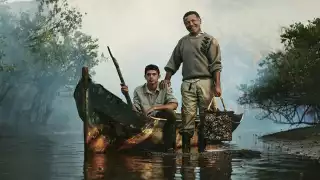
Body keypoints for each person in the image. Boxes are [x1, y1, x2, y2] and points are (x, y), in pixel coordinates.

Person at [160, 11, 222, 153]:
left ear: (200, 20)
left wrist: (217, 85)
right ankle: (186, 153)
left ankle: (202, 150)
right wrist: (167, 78)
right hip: (187, 83)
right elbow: (174, 61)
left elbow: (216, 64)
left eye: (193, 21)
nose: (191, 24)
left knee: (207, 116)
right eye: (187, 22)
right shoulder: (182, 42)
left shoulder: (209, 40)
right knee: (187, 117)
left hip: (206, 81)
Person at [121, 64, 178, 152]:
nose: (151, 77)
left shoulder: (164, 88)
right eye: (148, 74)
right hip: (146, 123)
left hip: (161, 123)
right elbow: (135, 110)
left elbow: (174, 104)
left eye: (154, 74)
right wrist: (126, 95)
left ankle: (170, 147)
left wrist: (155, 107)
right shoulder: (138, 90)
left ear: (158, 76)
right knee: (153, 141)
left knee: (170, 113)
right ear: (145, 77)